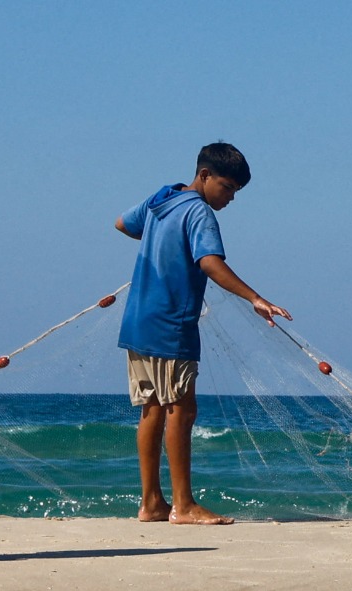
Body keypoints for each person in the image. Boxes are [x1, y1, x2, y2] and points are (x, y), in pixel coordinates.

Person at [114, 142, 291, 525]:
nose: (229, 198)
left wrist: (162, 247)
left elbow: (123, 224)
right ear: (205, 176)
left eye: (235, 192)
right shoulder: (199, 213)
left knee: (153, 408)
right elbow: (210, 263)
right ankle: (184, 505)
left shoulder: (163, 198)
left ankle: (151, 504)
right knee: (182, 407)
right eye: (226, 188)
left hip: (137, 320)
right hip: (171, 323)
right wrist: (255, 298)